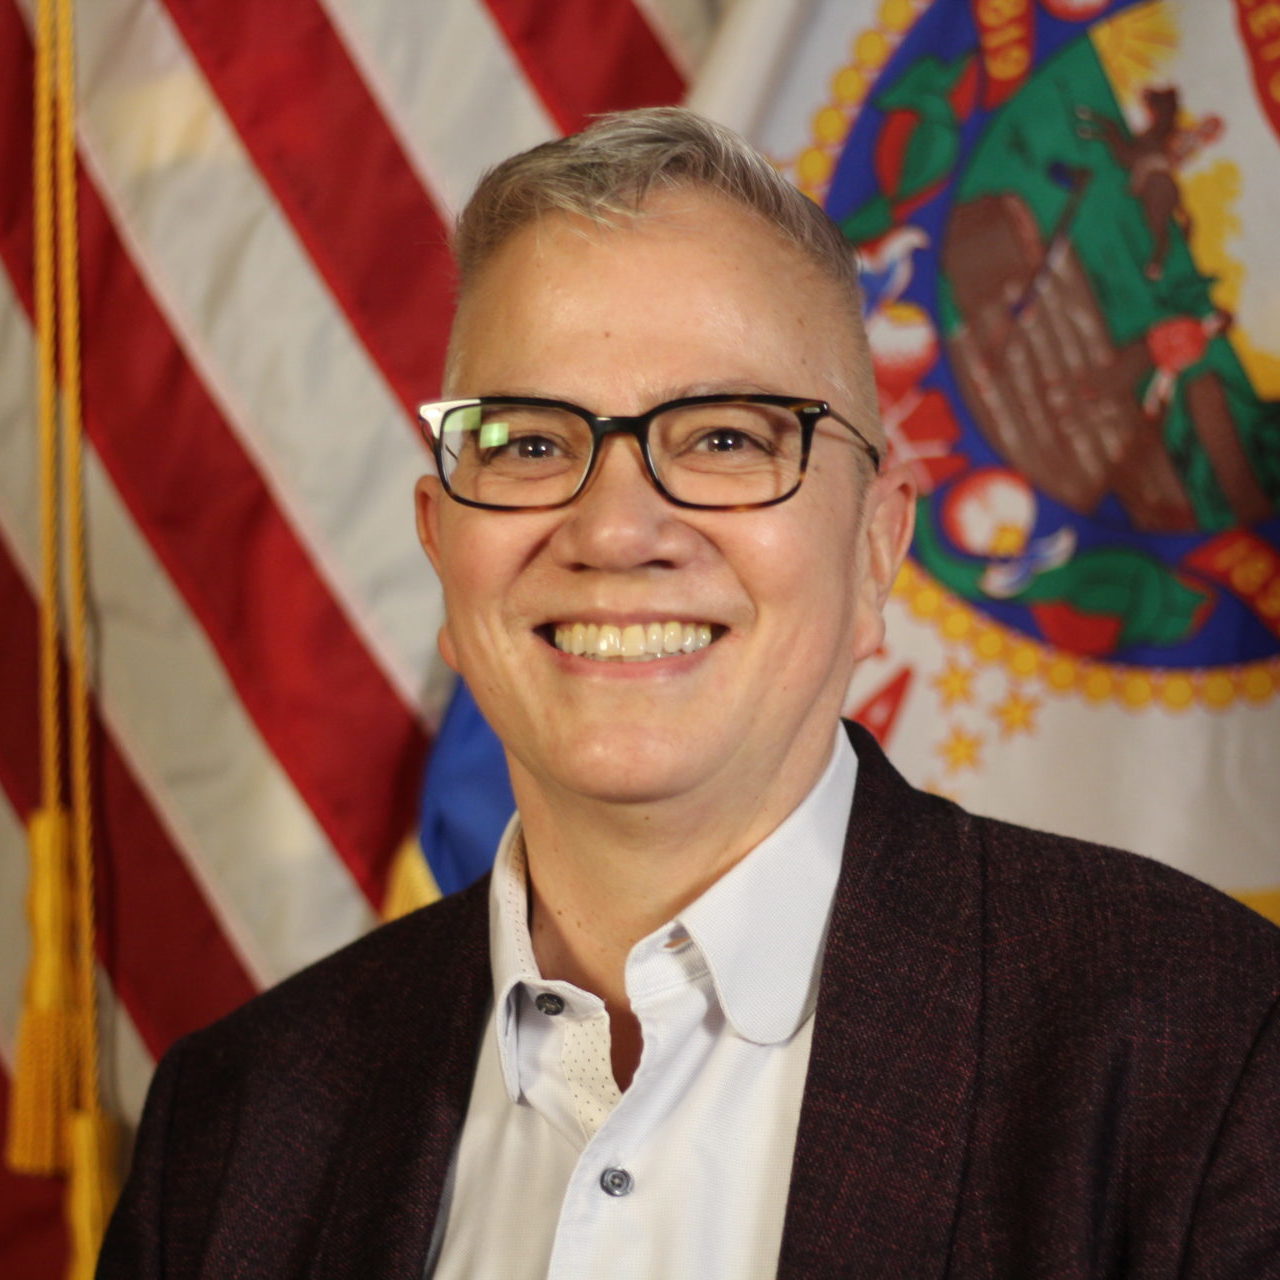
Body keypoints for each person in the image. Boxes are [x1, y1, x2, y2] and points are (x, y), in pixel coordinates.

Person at [98, 108, 1280, 1280]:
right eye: (527, 445)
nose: (615, 529)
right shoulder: (231, 1125)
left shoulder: (1212, 1054)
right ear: (441, 547)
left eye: (724, 437)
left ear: (875, 546)